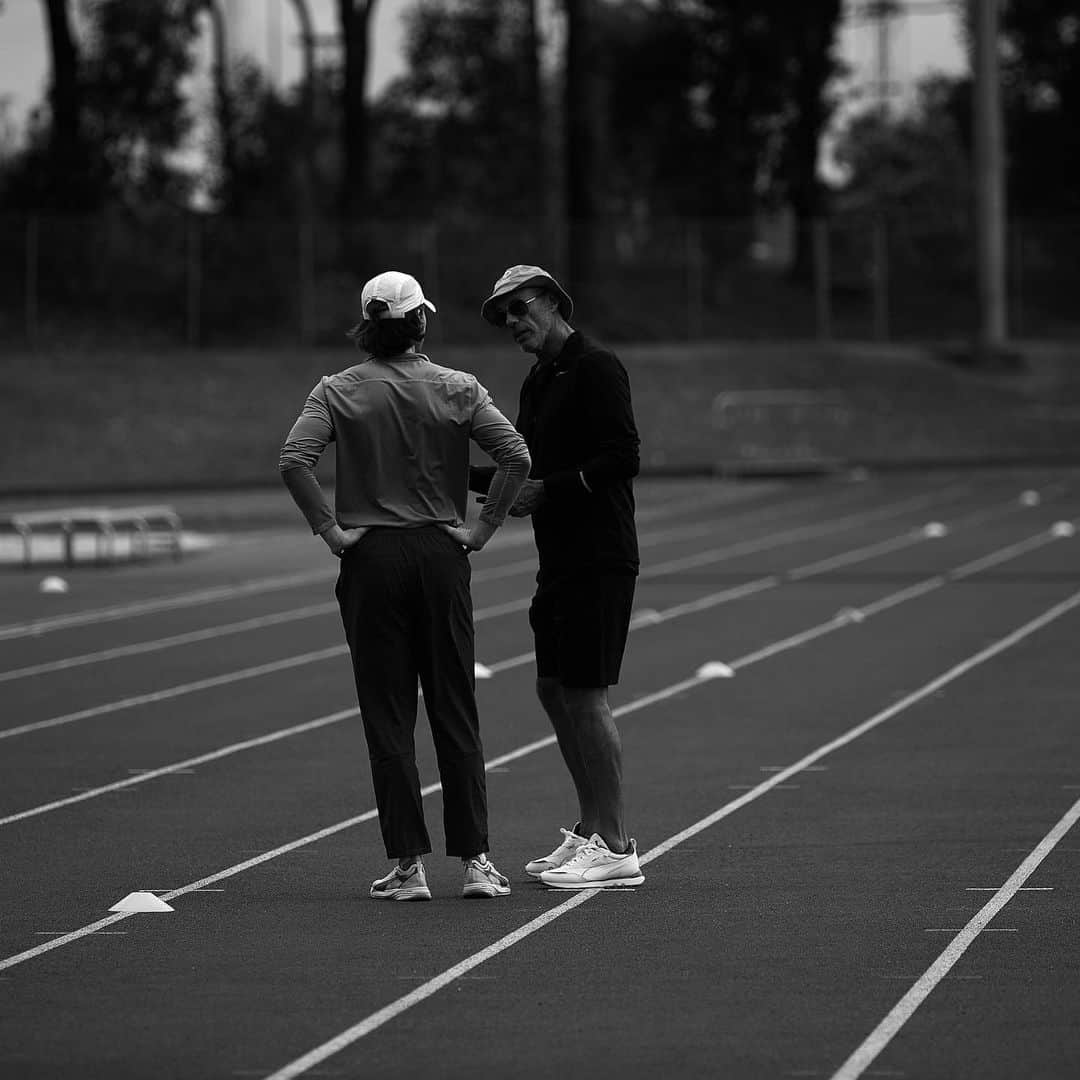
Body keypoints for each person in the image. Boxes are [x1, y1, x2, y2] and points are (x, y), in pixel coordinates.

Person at [279, 270, 531, 902]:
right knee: (454, 707)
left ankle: (408, 866)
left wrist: (331, 533)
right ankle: (475, 861)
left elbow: (294, 461)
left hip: (371, 559)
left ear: (368, 327)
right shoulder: (458, 387)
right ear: (421, 322)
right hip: (441, 553)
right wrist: (482, 529)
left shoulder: (336, 390)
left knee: (388, 713)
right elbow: (516, 457)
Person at [466, 263, 644, 889]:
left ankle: (618, 845)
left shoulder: (597, 366)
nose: (512, 325)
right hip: (560, 557)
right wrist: (442, 466)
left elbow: (623, 456)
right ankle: (592, 829)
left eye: (518, 310)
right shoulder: (539, 379)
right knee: (551, 686)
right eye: (504, 317)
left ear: (548, 301)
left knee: (586, 692)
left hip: (600, 553)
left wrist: (551, 489)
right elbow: (523, 470)